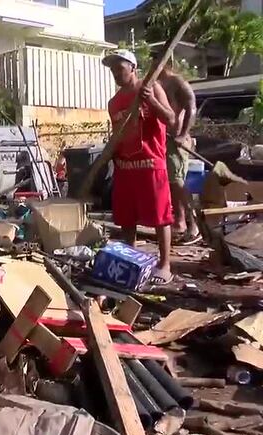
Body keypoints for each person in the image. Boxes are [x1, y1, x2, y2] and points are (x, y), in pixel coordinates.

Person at [102, 50, 177, 285]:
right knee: (127, 219)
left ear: (133, 68)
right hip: (125, 167)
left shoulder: (151, 87)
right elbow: (118, 133)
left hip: (150, 164)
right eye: (112, 69)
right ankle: (131, 261)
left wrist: (151, 101)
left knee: (160, 217)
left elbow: (170, 119)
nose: (115, 73)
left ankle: (165, 265)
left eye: (120, 68)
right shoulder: (113, 103)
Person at [157, 57, 200, 244]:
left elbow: (192, 107)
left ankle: (194, 223)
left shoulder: (177, 82)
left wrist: (183, 134)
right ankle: (180, 222)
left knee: (178, 183)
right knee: (171, 183)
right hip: (164, 141)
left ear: (165, 63)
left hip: (177, 141)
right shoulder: (157, 84)